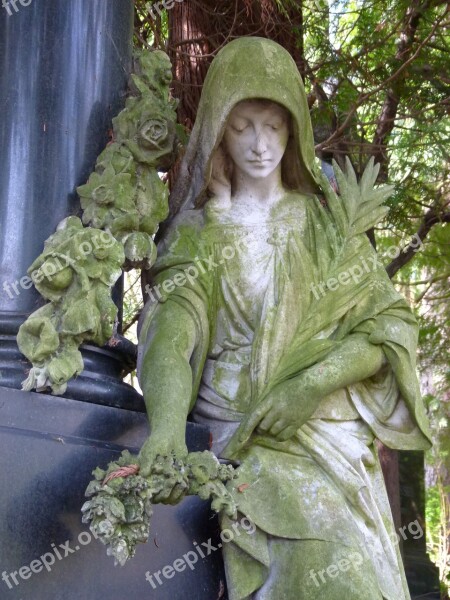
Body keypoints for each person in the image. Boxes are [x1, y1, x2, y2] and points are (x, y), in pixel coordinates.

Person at [137, 37, 431, 600]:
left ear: (294, 129)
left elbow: (387, 329)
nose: (259, 144)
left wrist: (312, 383)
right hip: (245, 434)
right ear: (219, 128)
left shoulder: (323, 227)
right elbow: (172, 335)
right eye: (243, 125)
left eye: (274, 125)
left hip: (322, 433)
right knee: (329, 567)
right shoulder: (201, 233)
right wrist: (168, 429)